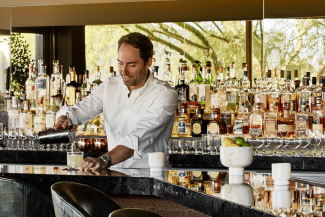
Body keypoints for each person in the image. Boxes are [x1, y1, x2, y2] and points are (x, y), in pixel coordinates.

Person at [54, 32, 178, 171]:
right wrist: (64, 119)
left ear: (148, 62)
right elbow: (79, 111)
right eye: (120, 63)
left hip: (151, 179)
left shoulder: (164, 94)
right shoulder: (110, 86)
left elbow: (137, 138)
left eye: (131, 65)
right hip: (114, 175)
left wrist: (104, 160)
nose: (123, 71)